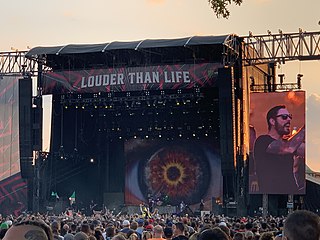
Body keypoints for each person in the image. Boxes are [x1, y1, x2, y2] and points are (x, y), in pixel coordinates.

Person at [253, 105, 305, 194]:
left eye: (290, 116)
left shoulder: (288, 142)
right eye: (284, 117)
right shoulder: (262, 141)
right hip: (271, 198)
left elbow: (306, 150)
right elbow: (289, 148)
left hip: (291, 197)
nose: (289, 119)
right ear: (272, 121)